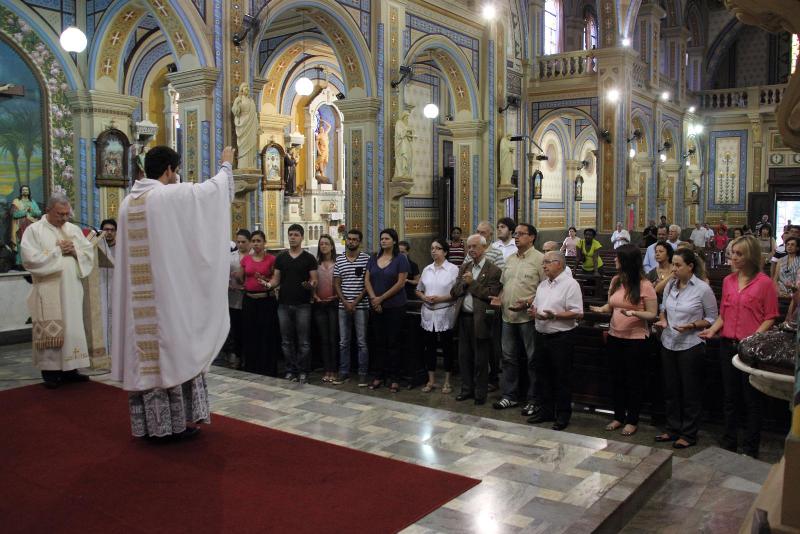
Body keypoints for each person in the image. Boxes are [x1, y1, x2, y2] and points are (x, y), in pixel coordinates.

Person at [112, 146, 235, 440]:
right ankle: (174, 426)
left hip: (140, 306)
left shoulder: (128, 203)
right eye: (175, 170)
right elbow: (210, 194)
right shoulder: (166, 196)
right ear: (168, 169)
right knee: (175, 352)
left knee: (151, 359)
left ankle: (151, 426)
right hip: (166, 301)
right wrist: (226, 166)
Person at [699, 236, 779, 458]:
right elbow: (724, 314)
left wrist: (753, 339)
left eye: (739, 254)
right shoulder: (728, 281)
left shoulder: (764, 283)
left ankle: (751, 447)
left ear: (751, 256)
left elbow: (770, 317)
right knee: (730, 397)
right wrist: (713, 329)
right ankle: (729, 441)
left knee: (752, 400)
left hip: (750, 350)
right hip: (728, 345)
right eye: (732, 253)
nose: (733, 257)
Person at [21, 193, 94, 389]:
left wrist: (75, 251)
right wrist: (57, 251)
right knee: (52, 329)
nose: (63, 218)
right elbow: (29, 258)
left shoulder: (73, 229)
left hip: (71, 288)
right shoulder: (34, 231)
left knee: (72, 327)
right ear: (48, 211)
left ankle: (72, 369)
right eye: (59, 214)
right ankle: (51, 372)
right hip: (48, 290)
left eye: (66, 214)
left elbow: (88, 253)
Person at [589, 245, 658, 437]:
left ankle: (632, 419)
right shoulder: (616, 280)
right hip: (614, 336)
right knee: (616, 378)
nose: (614, 260)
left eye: (618, 258)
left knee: (633, 380)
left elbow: (653, 314)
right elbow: (612, 305)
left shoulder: (645, 285)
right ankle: (618, 416)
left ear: (627, 261)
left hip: (636, 339)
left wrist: (635, 312)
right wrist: (602, 309)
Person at [653, 248, 718, 449]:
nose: (674, 269)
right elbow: (663, 308)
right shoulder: (671, 285)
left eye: (678, 265)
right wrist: (663, 320)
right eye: (673, 264)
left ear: (690, 267)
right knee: (671, 389)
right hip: (668, 342)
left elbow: (712, 318)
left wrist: (691, 326)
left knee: (690, 391)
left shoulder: (702, 288)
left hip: (691, 344)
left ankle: (689, 433)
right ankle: (672, 428)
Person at [489, 223, 545, 414]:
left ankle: (534, 399)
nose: (517, 237)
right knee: (508, 358)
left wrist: (529, 302)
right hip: (508, 316)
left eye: (522, 234)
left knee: (533, 359)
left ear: (532, 237)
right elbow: (505, 286)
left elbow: (546, 290)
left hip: (528, 318)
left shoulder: (540, 259)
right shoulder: (511, 259)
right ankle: (510, 396)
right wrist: (500, 299)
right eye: (516, 234)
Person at [527, 251, 583, 430]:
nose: (544, 266)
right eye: (543, 263)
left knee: (561, 378)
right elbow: (537, 306)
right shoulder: (543, 285)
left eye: (547, 262)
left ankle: (563, 415)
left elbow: (577, 312)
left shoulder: (570, 284)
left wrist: (555, 316)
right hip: (541, 336)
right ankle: (546, 411)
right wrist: (533, 312)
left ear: (559, 264)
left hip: (561, 338)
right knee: (543, 375)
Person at [451, 234, 502, 405]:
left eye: (474, 246)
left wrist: (472, 283)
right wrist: (464, 284)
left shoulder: (493, 270)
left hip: (480, 319)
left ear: (484, 247)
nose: (471, 249)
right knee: (463, 357)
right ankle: (466, 389)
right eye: (469, 247)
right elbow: (454, 292)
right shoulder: (465, 266)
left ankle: (480, 394)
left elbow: (491, 294)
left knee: (480, 359)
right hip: (463, 318)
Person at [265, 224, 318, 383]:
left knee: (303, 341)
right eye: (290, 234)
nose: (292, 237)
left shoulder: (309, 258)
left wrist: (311, 285)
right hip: (284, 304)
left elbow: (314, 279)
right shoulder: (281, 257)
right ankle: (290, 370)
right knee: (286, 340)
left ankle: (303, 371)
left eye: (296, 235)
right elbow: (276, 278)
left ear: (302, 237)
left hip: (303, 304)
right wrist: (269, 284)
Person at [365, 228, 409, 392]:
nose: (383, 241)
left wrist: (381, 298)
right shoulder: (374, 258)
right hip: (376, 306)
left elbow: (401, 283)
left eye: (387, 239)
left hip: (395, 306)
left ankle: (394, 378)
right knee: (378, 342)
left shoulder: (400, 259)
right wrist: (373, 299)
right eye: (382, 238)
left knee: (393, 342)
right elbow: (367, 280)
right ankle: (378, 375)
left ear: (394, 241)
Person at [416, 238, 459, 393]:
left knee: (447, 348)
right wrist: (423, 297)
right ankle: (431, 380)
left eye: (438, 248)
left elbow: (457, 293)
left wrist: (441, 298)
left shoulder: (453, 269)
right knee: (430, 348)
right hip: (428, 313)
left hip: (445, 312)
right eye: (432, 248)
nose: (434, 251)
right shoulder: (427, 269)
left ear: (445, 252)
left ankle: (447, 381)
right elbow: (419, 289)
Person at [238, 230, 279, 376]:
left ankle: (267, 368)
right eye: (253, 241)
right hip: (249, 300)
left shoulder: (271, 259)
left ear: (264, 242)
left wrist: (267, 281)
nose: (256, 243)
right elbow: (241, 278)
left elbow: (276, 279)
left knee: (266, 334)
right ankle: (251, 367)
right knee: (250, 334)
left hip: (266, 301)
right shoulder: (246, 260)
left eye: (258, 241)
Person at [332, 229, 370, 386]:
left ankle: (362, 373)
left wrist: (354, 302)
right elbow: (336, 283)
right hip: (343, 306)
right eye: (349, 239)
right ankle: (344, 372)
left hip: (361, 306)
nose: (351, 241)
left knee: (361, 341)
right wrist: (346, 302)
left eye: (355, 239)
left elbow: (368, 284)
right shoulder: (340, 260)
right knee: (343, 341)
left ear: (359, 242)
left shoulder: (367, 259)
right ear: (346, 240)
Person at [314, 235, 340, 383]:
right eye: (321, 244)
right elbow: (312, 282)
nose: (323, 246)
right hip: (320, 305)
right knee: (324, 339)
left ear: (331, 246)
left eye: (326, 243)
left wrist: (337, 297)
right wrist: (314, 295)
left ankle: (334, 370)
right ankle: (327, 369)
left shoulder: (337, 263)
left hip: (334, 304)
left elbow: (341, 283)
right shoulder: (316, 264)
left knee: (333, 338)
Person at [227, 229, 250, 368]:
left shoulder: (253, 256)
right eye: (238, 242)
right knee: (235, 329)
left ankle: (248, 356)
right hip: (233, 298)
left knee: (247, 329)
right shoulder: (231, 257)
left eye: (243, 242)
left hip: (249, 298)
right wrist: (229, 285)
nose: (240, 244)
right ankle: (236, 356)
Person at [12, 185, 42, 265]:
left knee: (32, 244)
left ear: (29, 192)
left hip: (32, 226)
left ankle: (32, 261)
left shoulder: (32, 202)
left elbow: (39, 213)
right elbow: (14, 214)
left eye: (26, 190)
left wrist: (31, 210)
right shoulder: (16, 202)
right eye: (23, 190)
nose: (25, 191)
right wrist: (25, 211)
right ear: (21, 191)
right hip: (21, 226)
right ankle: (20, 262)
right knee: (21, 244)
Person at [231, 83, 259, 168]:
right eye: (245, 88)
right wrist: (236, 104)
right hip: (243, 124)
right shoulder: (239, 99)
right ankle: (243, 165)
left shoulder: (251, 100)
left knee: (252, 145)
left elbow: (255, 114)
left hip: (252, 125)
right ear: (241, 90)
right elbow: (235, 112)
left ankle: (251, 165)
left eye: (248, 88)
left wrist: (258, 126)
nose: (247, 89)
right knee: (243, 146)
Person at [393, 110, 414, 178]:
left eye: (408, 117)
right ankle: (401, 173)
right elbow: (400, 134)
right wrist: (407, 130)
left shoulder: (406, 124)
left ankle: (406, 172)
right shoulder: (399, 123)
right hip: (401, 144)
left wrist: (410, 134)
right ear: (403, 117)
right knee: (403, 156)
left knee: (408, 157)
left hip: (406, 143)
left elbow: (409, 136)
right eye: (406, 117)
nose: (407, 119)